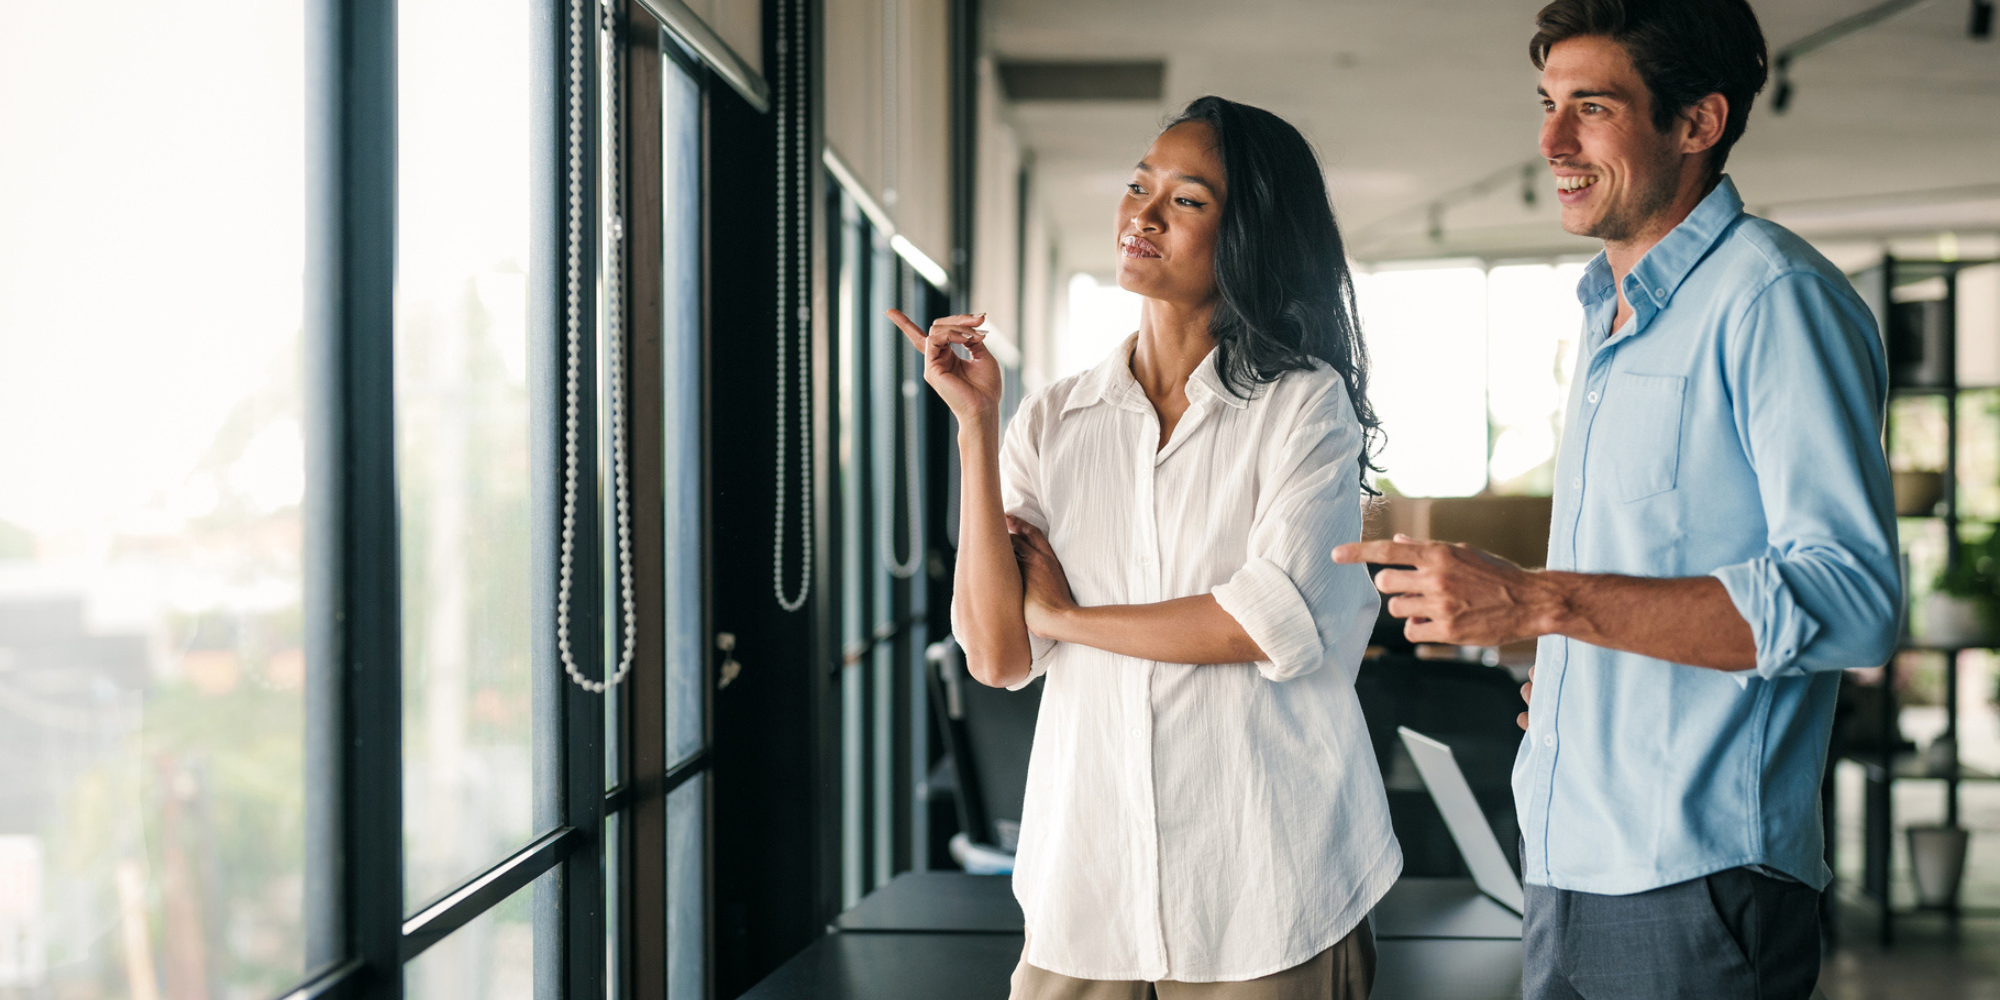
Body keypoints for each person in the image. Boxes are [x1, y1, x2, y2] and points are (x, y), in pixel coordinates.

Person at [1336, 1, 1898, 997]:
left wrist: (1540, 601)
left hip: (1697, 878)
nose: (1550, 141)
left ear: (1696, 122)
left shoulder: (1771, 299)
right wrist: (1567, 680)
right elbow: (1653, 578)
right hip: (1567, 857)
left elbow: (1849, 601)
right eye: (1547, 104)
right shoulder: (1606, 312)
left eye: (1589, 107)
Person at [890, 96, 1399, 999]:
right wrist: (976, 426)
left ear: (1249, 234)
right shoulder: (1052, 419)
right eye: (1139, 186)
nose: (1143, 214)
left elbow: (1263, 622)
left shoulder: (1304, 405)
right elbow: (1001, 655)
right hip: (1088, 888)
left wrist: (1066, 616)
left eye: (1187, 200)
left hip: (1269, 889)